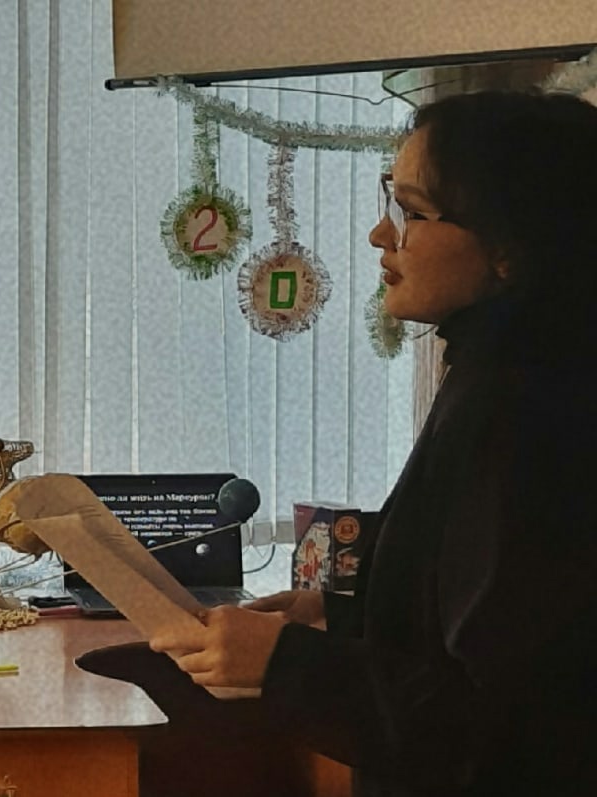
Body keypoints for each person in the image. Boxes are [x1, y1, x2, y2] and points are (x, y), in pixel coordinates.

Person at [149, 88, 597, 797]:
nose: (380, 235)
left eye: (413, 212)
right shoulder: (497, 368)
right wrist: (338, 614)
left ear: (512, 247)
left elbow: (495, 724)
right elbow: (466, 607)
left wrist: (286, 663)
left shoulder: (537, 410)